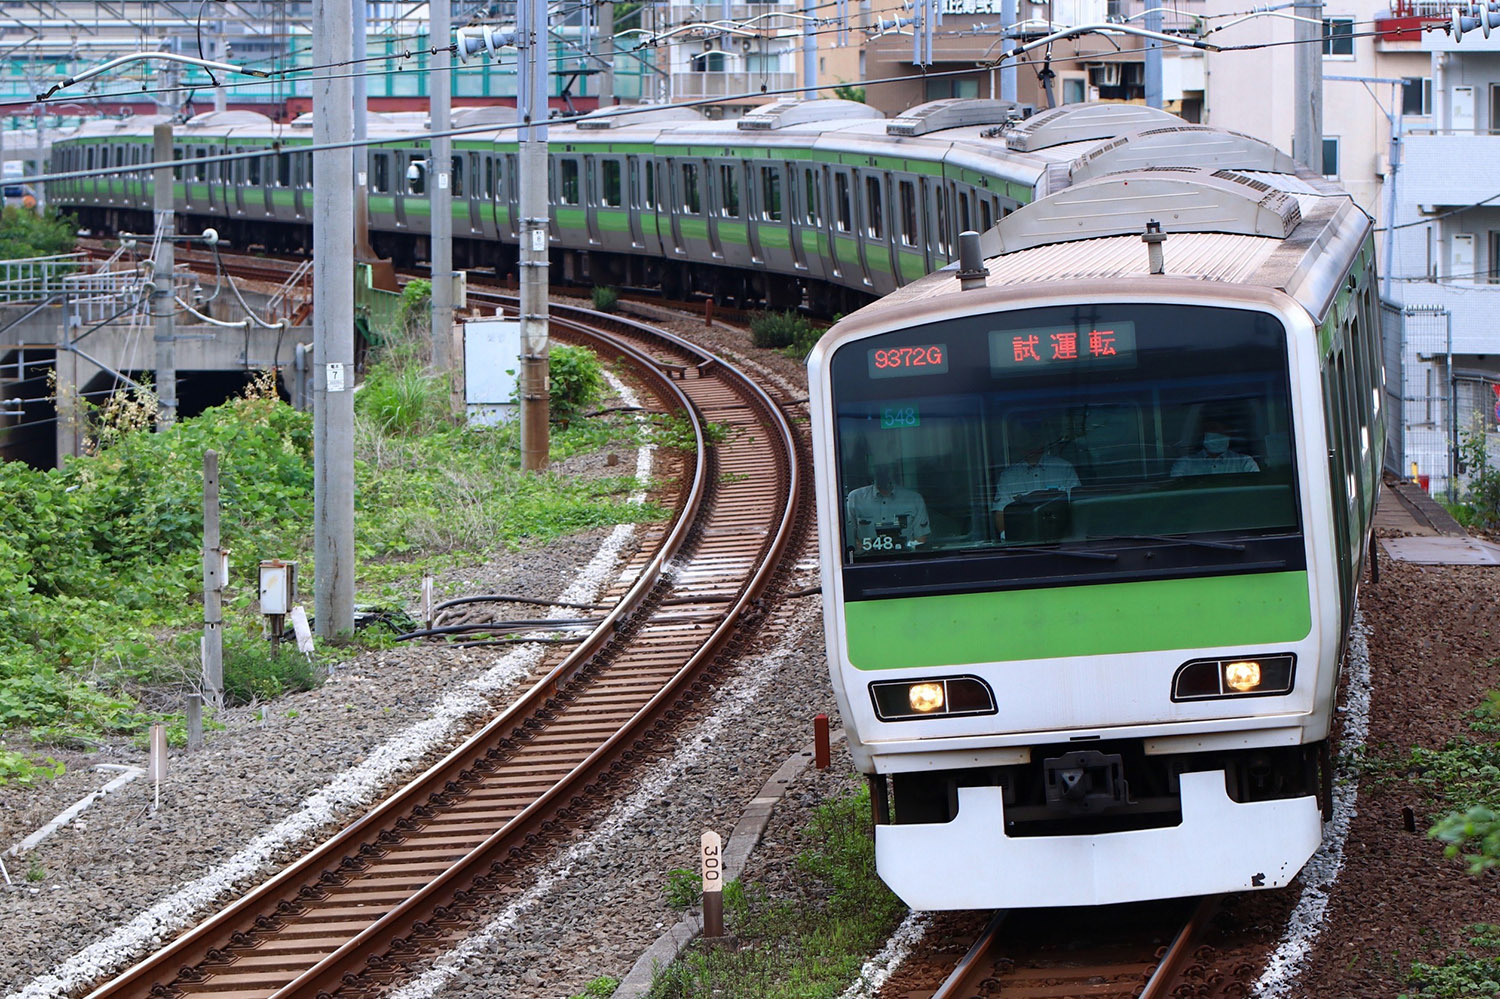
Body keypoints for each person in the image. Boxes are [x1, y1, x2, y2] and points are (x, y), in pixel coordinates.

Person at [991, 420, 1080, 537]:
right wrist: (1009, 540)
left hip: (1064, 540)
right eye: (1025, 436)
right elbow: (1000, 514)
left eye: (1035, 435)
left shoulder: (1063, 468)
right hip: (1022, 544)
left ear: (1042, 439)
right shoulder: (1008, 476)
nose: (1031, 440)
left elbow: (1078, 508)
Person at [846, 463, 931, 553]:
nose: (884, 474)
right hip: (867, 561)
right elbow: (849, 539)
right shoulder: (855, 498)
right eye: (879, 470)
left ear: (894, 472)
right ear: (873, 472)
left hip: (904, 559)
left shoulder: (914, 499)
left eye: (887, 469)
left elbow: (921, 540)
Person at [1171, 416, 1259, 476]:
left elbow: (1256, 489)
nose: (1218, 434)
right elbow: (1175, 493)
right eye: (1213, 429)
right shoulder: (1184, 464)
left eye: (1223, 431)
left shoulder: (1245, 463)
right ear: (1203, 433)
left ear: (1230, 434)